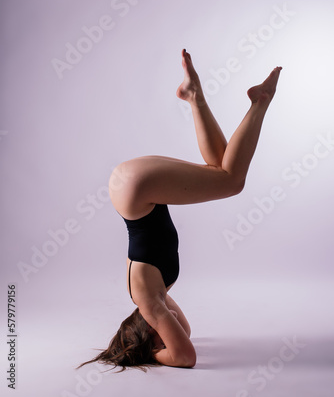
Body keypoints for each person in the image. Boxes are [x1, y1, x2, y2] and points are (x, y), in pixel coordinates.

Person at [78, 49, 282, 372]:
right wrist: (162, 336)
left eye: (160, 340)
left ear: (153, 335)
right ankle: (193, 95)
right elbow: (185, 332)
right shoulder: (155, 300)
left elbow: (185, 356)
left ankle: (261, 101)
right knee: (220, 168)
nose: (170, 327)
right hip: (131, 189)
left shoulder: (148, 303)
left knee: (232, 181)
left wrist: (150, 356)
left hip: (135, 191)